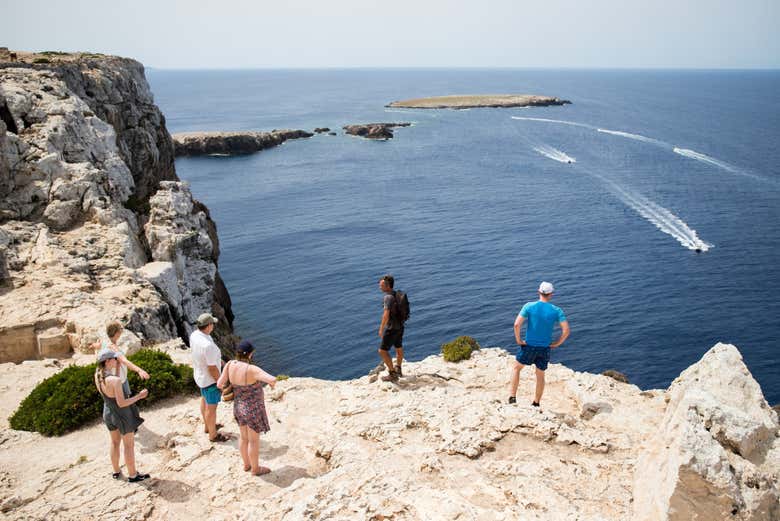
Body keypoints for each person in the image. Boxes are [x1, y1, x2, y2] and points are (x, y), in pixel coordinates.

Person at [217, 340, 276, 475]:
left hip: (239, 407)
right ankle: (255, 469)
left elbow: (220, 383)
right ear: (250, 355)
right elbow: (271, 379)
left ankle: (246, 465)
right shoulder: (252, 369)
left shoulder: (230, 364)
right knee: (254, 441)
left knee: (243, 438)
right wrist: (272, 384)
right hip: (253, 410)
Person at [508, 281, 570, 407]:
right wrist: (557, 343)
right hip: (545, 348)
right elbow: (566, 330)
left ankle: (512, 397)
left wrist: (519, 340)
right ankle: (536, 403)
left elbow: (516, 324)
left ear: (539, 292)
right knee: (540, 375)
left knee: (516, 368)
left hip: (529, 346)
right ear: (551, 294)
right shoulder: (556, 310)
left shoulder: (529, 306)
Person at [94, 349, 150, 482]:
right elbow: (122, 403)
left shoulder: (97, 375)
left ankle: (116, 471)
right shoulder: (115, 381)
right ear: (107, 361)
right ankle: (133, 475)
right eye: (114, 359)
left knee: (114, 442)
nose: (116, 360)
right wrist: (139, 396)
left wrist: (118, 369)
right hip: (122, 415)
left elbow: (112, 391)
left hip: (108, 412)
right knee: (129, 445)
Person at [190, 313, 228, 442]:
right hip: (210, 380)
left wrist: (220, 361)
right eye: (213, 324)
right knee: (211, 408)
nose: (214, 326)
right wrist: (221, 383)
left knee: (204, 400)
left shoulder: (195, 335)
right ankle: (213, 435)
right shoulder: (208, 346)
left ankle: (208, 426)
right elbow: (212, 368)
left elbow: (208, 358)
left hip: (200, 376)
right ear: (209, 325)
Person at [95, 321, 150, 397]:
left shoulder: (105, 342)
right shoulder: (113, 347)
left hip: (117, 379)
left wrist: (95, 346)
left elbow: (98, 348)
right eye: (121, 329)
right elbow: (124, 361)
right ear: (117, 333)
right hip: (119, 380)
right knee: (124, 402)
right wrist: (139, 370)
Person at [377, 274, 404, 382]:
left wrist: (381, 328)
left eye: (381, 285)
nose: (380, 287)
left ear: (388, 286)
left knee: (382, 351)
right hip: (400, 326)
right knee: (398, 348)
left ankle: (392, 374)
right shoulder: (397, 294)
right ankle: (399, 369)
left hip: (392, 328)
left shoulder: (388, 297)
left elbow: (386, 314)